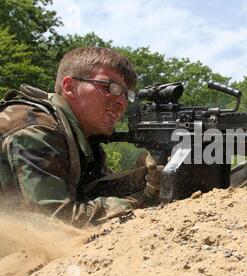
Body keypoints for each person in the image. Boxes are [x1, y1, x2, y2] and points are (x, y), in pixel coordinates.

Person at [0, 47, 160, 228]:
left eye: (126, 94)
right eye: (111, 87)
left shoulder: (81, 137)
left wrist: (144, 178)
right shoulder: (35, 129)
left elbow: (90, 192)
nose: (122, 102)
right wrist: (142, 195)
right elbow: (56, 222)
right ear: (69, 87)